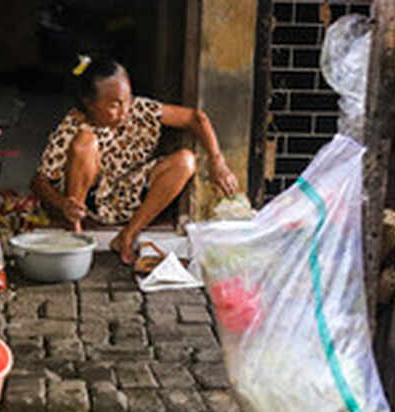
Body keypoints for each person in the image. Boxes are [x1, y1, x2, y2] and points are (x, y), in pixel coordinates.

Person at [31, 55, 240, 265]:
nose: (124, 111)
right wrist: (64, 205)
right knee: (85, 142)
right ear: (90, 103)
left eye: (127, 100)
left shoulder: (140, 110)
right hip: (87, 207)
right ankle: (75, 234)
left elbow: (196, 118)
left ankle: (127, 236)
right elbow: (39, 182)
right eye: (114, 105)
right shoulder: (73, 125)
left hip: (128, 197)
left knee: (186, 161)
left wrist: (217, 162)